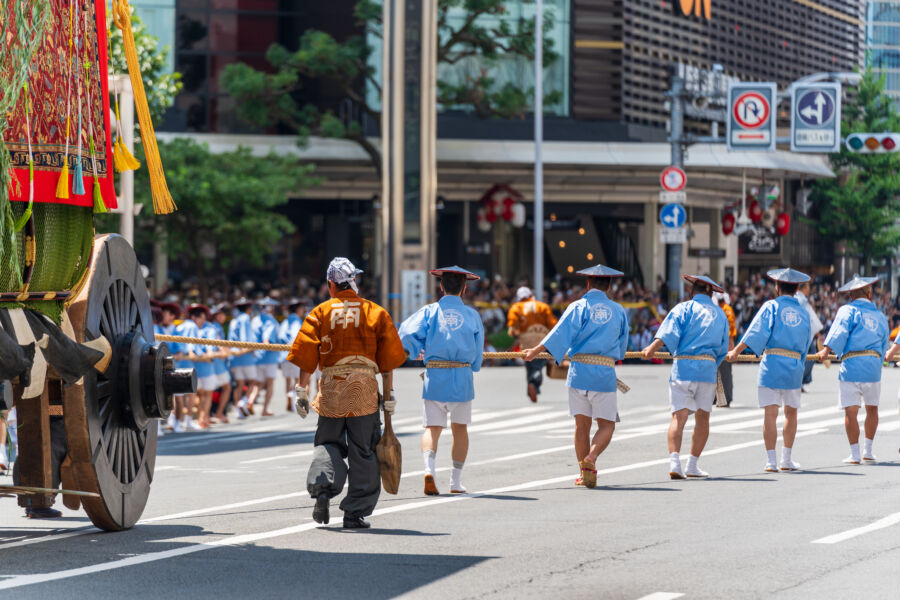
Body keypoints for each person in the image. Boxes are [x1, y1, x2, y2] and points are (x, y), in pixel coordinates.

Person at [287, 257, 406, 529]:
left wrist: (300, 391)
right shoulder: (375, 312)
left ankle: (323, 491)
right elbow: (387, 363)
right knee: (363, 451)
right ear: (354, 282)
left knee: (328, 444)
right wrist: (388, 396)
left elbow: (306, 357)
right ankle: (354, 513)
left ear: (331, 284)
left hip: (330, 388)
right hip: (363, 389)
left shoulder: (320, 312)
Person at [523, 264, 628, 489]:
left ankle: (583, 472)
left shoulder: (578, 307)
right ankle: (591, 457)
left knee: (582, 426)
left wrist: (534, 351)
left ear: (588, 284)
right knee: (607, 425)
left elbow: (558, 333)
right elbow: (621, 348)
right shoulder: (618, 310)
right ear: (609, 286)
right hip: (603, 372)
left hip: (579, 371)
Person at [398, 266, 484, 496]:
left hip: (435, 376)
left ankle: (429, 470)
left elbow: (406, 333)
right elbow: (477, 358)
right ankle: (455, 482)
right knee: (460, 429)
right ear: (464, 289)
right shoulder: (473, 315)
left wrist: (415, 350)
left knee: (432, 428)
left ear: (441, 286)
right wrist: (472, 365)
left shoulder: (429, 311)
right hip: (462, 377)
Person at [642, 275, 729, 479]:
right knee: (703, 418)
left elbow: (668, 333)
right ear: (710, 293)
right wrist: (710, 363)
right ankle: (692, 464)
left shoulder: (683, 308)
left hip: (683, 368)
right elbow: (723, 348)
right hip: (707, 371)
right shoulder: (720, 314)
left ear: (692, 291)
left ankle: (675, 463)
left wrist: (652, 348)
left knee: (678, 418)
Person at [727, 268, 812, 473]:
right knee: (791, 413)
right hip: (793, 364)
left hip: (772, 362)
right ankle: (787, 459)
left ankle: (771, 461)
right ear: (798, 288)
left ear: (776, 287)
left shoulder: (771, 306)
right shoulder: (803, 311)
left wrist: (735, 351)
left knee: (770, 414)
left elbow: (755, 331)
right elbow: (806, 340)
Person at [821, 277, 889, 464]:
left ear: (850, 295)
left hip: (851, 365)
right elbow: (884, 343)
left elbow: (838, 331)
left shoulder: (847, 310)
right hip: (873, 366)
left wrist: (826, 350)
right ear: (869, 294)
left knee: (851, 411)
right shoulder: (880, 316)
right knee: (872, 408)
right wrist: (880, 359)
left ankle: (855, 453)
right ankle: (868, 450)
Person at [507, 286, 557, 403]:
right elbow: (553, 324)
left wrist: (513, 331)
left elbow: (511, 326)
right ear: (530, 295)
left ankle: (531, 384)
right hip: (541, 338)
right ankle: (534, 383)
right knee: (539, 363)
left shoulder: (516, 307)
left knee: (529, 362)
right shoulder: (542, 306)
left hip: (526, 339)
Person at [228, 298, 259, 418]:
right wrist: (249, 348)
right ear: (248, 309)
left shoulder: (234, 320)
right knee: (252, 381)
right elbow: (245, 337)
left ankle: (238, 410)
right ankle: (244, 401)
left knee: (239, 384)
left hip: (234, 355)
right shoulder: (245, 318)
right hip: (245, 354)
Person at [253, 297, 282, 417]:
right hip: (268, 356)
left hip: (256, 356)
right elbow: (267, 339)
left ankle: (248, 401)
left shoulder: (254, 319)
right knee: (270, 383)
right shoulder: (270, 320)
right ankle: (265, 409)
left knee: (258, 384)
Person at [797, 281, 825, 393]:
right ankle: (798, 382)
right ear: (803, 288)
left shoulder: (802, 299)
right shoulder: (800, 300)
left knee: (809, 356)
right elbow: (808, 318)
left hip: (805, 334)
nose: (808, 289)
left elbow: (811, 319)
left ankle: (800, 382)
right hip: (801, 334)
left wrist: (818, 333)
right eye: (807, 287)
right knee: (808, 357)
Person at [280, 298, 307, 412]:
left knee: (287, 380)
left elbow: (280, 336)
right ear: (298, 309)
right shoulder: (296, 321)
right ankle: (296, 402)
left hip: (283, 354)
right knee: (298, 380)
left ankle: (288, 397)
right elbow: (296, 336)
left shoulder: (285, 321)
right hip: (294, 353)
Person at [208, 303, 232, 424]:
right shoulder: (215, 327)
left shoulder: (214, 326)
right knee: (225, 387)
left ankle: (211, 414)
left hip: (216, 361)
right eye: (222, 314)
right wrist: (225, 351)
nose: (224, 317)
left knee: (209, 390)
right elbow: (218, 343)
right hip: (217, 362)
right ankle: (218, 413)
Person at [713, 291, 737, 407]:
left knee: (724, 373)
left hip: (724, 345)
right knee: (718, 373)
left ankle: (726, 398)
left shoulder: (725, 309)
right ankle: (717, 398)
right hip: (720, 344)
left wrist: (730, 347)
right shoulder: (722, 309)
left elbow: (730, 330)